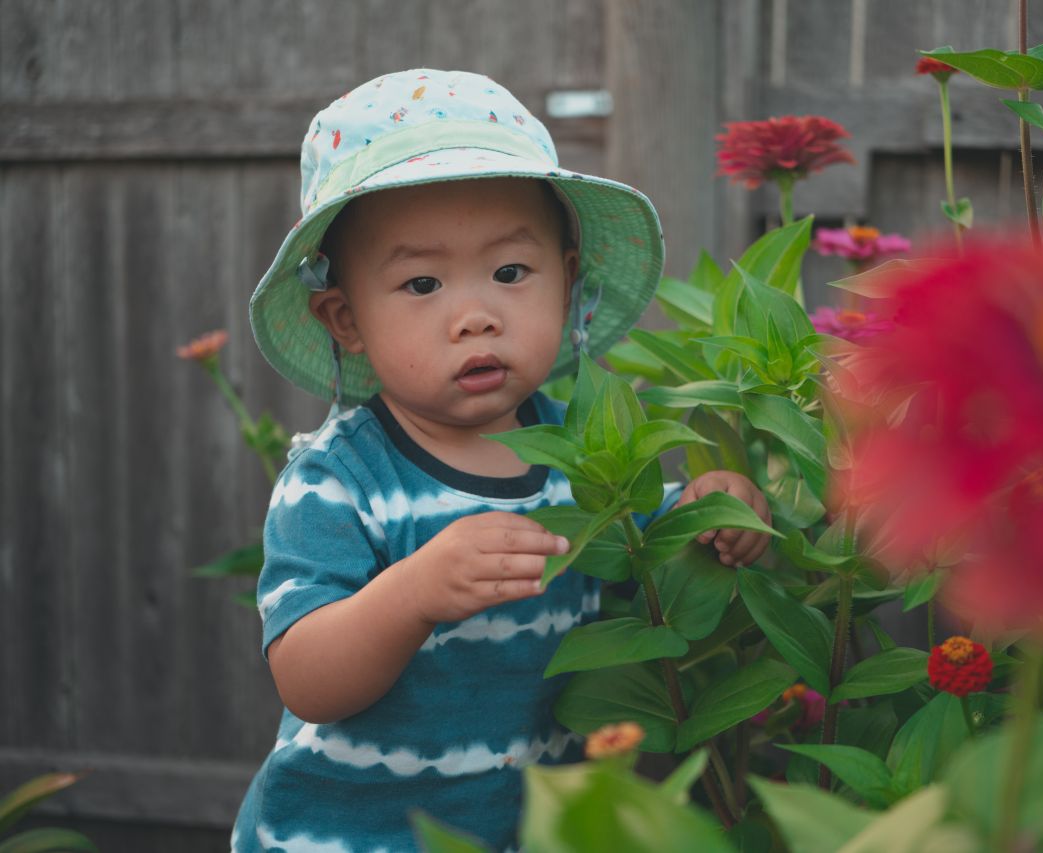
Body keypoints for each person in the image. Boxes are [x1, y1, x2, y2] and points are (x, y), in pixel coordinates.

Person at [232, 69, 771, 853]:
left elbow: (643, 544)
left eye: (511, 272)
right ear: (345, 318)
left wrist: (712, 514)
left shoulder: (582, 454)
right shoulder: (340, 482)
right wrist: (411, 593)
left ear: (569, 278)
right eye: (421, 282)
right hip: (346, 835)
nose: (476, 316)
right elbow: (306, 678)